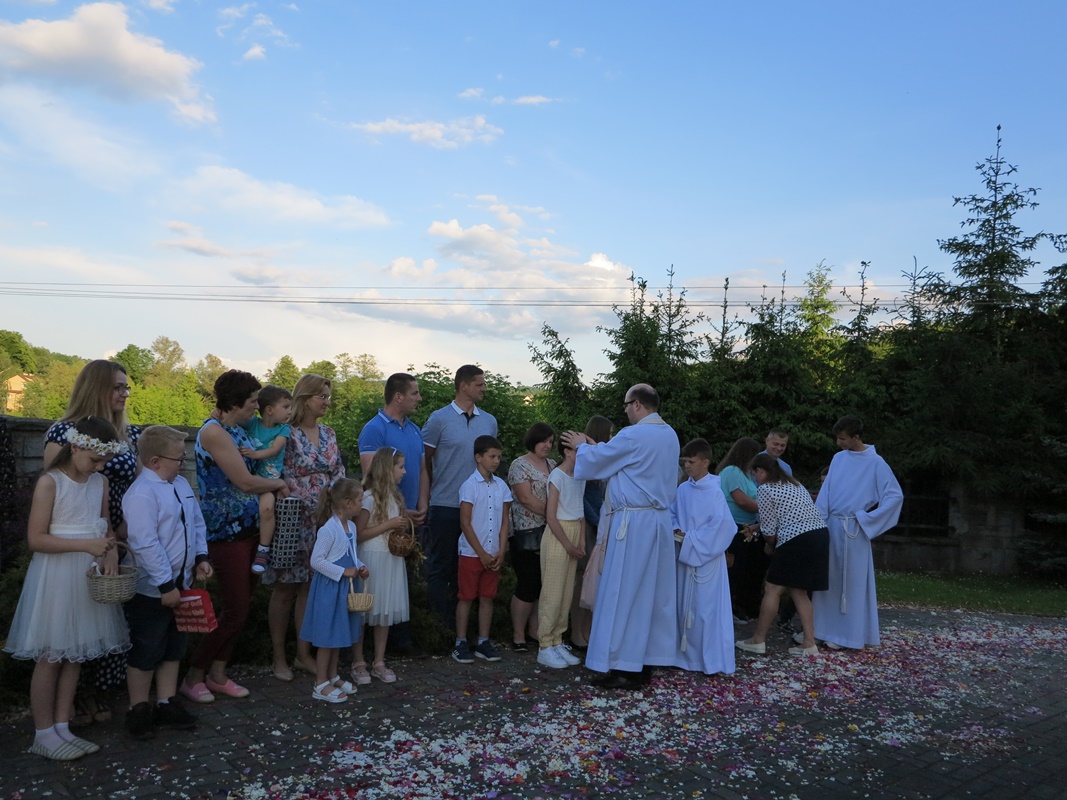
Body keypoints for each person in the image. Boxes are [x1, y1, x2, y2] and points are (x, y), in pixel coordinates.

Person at [4, 416, 129, 761]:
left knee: (75, 654)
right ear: (75, 447)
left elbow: (105, 527)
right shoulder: (51, 483)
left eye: (104, 461)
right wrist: (85, 545)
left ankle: (62, 727)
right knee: (50, 656)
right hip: (56, 577)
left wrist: (110, 552)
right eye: (95, 459)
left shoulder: (100, 482)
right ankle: (43, 733)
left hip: (86, 575)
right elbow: (36, 539)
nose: (99, 467)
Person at [560, 384, 680, 690]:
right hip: (657, 523)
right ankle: (642, 663)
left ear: (637, 404)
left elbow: (598, 462)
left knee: (623, 593)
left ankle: (622, 665)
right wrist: (594, 447)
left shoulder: (634, 434)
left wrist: (581, 446)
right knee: (649, 595)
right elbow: (618, 460)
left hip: (633, 525)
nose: (625, 410)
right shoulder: (670, 435)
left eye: (626, 405)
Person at [42, 360, 142, 725]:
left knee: (108, 612)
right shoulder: (64, 433)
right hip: (78, 536)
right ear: (95, 388)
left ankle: (99, 689)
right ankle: (71, 699)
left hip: (117, 534)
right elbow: (58, 491)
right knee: (76, 616)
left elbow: (140, 483)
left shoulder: (130, 434)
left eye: (126, 387)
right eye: (117, 386)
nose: (124, 393)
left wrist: (125, 529)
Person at [182, 371, 287, 704]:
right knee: (235, 609)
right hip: (225, 531)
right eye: (253, 401)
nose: (257, 406)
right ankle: (193, 676)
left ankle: (218, 674)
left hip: (250, 528)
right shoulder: (213, 432)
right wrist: (279, 484)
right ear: (235, 402)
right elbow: (244, 482)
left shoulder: (237, 428)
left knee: (240, 607)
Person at [121, 426, 212, 740]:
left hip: (180, 582)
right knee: (147, 646)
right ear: (155, 461)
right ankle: (138, 708)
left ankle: (166, 701)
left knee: (174, 645)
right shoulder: (142, 494)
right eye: (178, 459)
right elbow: (145, 543)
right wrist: (164, 585)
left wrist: (201, 557)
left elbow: (196, 523)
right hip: (152, 589)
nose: (183, 463)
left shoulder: (181, 484)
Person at [264, 374, 346, 681]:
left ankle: (303, 654)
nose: (327, 402)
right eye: (321, 396)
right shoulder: (286, 432)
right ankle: (278, 657)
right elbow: (273, 471)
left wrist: (334, 507)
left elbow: (338, 472)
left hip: (323, 521)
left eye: (328, 396)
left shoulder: (329, 433)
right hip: (292, 519)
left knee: (310, 588)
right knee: (285, 588)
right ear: (304, 398)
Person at [811, 416, 903, 650]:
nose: (838, 443)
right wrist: (817, 523)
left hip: (854, 529)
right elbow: (826, 493)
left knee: (850, 584)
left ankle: (846, 635)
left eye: (843, 438)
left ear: (856, 437)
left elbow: (894, 496)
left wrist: (866, 519)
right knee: (828, 581)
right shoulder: (838, 458)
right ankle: (821, 629)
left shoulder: (876, 463)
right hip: (831, 526)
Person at [356, 373, 428, 656]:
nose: (419, 398)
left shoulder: (415, 430)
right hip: (384, 518)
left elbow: (422, 469)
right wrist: (396, 509)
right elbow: (371, 476)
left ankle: (398, 640)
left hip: (409, 515)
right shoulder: (374, 429)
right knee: (377, 582)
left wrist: (422, 503)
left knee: (400, 579)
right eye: (414, 393)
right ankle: (364, 650)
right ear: (398, 396)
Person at [422, 365, 498, 627]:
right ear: (463, 385)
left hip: (478, 508)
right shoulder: (438, 419)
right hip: (446, 503)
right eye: (479, 384)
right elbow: (424, 460)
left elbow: (490, 459)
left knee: (468, 567)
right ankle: (437, 626)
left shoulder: (489, 421)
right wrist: (428, 494)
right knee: (440, 565)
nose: (484, 388)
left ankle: (461, 629)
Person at [735, 454, 829, 657]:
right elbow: (788, 516)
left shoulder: (766, 489)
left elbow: (770, 532)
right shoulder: (794, 484)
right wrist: (757, 527)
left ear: (761, 471)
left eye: (754, 474)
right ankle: (809, 642)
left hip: (796, 540)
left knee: (772, 588)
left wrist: (770, 547)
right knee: (799, 590)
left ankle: (758, 640)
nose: (755, 479)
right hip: (819, 535)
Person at [299, 479, 369, 704]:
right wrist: (343, 572)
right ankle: (320, 683)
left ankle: (332, 675)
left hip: (345, 590)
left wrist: (360, 566)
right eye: (360, 500)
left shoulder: (352, 527)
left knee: (338, 633)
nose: (362, 504)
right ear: (348, 503)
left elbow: (351, 554)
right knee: (327, 636)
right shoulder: (328, 530)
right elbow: (316, 561)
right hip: (330, 590)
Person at [671, 438, 736, 675]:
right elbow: (672, 514)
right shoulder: (682, 489)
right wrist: (677, 529)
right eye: (685, 461)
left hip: (707, 561)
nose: (687, 465)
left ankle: (708, 660)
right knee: (682, 606)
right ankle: (682, 657)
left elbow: (724, 526)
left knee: (705, 610)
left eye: (692, 461)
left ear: (706, 462)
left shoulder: (715, 491)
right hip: (684, 557)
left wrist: (692, 539)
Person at [351, 448, 410, 685]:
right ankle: (358, 662)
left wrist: (400, 527)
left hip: (390, 558)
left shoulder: (395, 497)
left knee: (384, 610)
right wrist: (389, 524)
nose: (404, 472)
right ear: (387, 469)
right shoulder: (368, 498)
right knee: (363, 610)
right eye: (400, 467)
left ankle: (379, 661)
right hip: (371, 558)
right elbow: (358, 534)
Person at [451, 435, 511, 664]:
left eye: (499, 457)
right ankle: (460, 642)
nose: (496, 461)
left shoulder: (501, 486)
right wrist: (481, 553)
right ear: (478, 457)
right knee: (466, 597)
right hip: (471, 553)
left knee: (487, 597)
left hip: (493, 553)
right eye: (492, 456)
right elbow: (465, 523)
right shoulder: (469, 486)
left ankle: (483, 641)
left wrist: (501, 550)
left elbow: (504, 522)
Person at [506, 422, 556, 652]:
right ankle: (518, 635)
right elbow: (525, 498)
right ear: (533, 440)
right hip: (526, 533)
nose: (547, 445)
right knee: (527, 583)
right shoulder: (519, 465)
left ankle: (534, 632)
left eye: (551, 442)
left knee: (542, 585)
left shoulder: (552, 465)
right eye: (543, 441)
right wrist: (553, 514)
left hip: (550, 532)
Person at [536, 439, 585, 670]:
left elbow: (580, 511)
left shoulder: (580, 477)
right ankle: (545, 644)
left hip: (574, 531)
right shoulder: (556, 476)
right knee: (552, 593)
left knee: (566, 593)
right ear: (567, 452)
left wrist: (581, 541)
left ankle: (558, 639)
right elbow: (551, 516)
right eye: (578, 450)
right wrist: (568, 545)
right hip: (559, 534)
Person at [238, 385, 293, 575]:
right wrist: (216, 414)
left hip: (268, 481)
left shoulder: (283, 429)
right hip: (248, 478)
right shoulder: (252, 424)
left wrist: (254, 454)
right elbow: (231, 420)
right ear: (269, 410)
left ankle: (263, 550)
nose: (290, 411)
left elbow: (275, 449)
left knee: (267, 508)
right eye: (285, 407)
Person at [572, 415, 613, 643]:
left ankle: (588, 631)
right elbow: (582, 497)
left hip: (600, 524)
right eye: (610, 433)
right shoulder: (586, 460)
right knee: (582, 580)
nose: (612, 438)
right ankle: (577, 633)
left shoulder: (604, 460)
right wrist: (597, 520)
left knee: (594, 580)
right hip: (588, 525)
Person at [715, 437, 763, 621]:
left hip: (748, 527)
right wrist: (765, 508)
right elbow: (741, 500)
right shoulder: (733, 471)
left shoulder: (745, 474)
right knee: (735, 568)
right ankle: (731, 608)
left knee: (747, 569)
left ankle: (744, 605)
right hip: (735, 526)